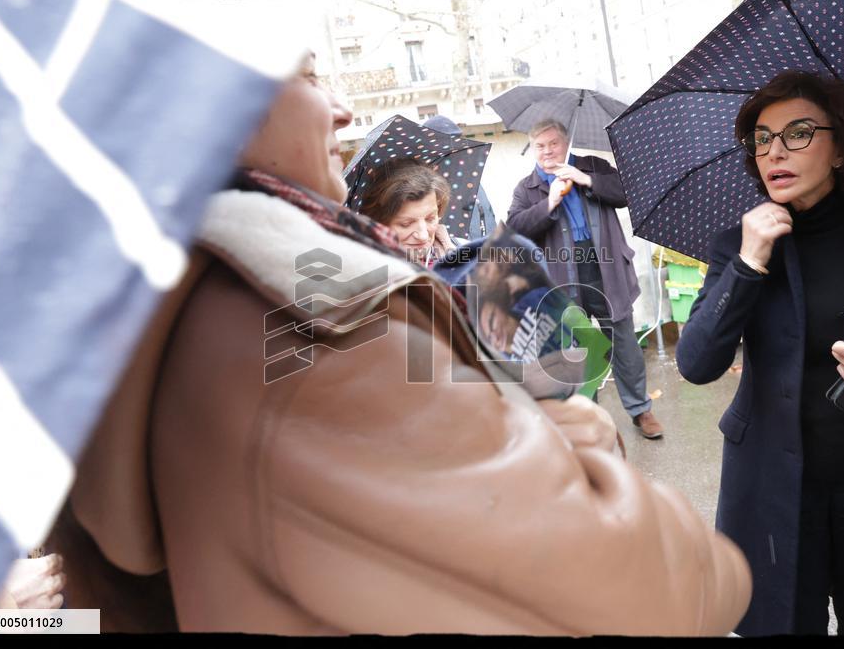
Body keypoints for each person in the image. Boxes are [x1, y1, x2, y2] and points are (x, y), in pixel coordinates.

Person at [47, 50, 752, 635]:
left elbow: (568, 362)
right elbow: (665, 587)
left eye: (431, 217)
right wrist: (561, 419)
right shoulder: (326, 316)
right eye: (308, 78)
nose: (342, 109)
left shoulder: (179, 303)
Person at [675, 70, 844, 636]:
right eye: (761, 139)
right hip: (774, 490)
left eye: (799, 133)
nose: (774, 152)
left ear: (842, 147)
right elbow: (696, 362)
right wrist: (749, 260)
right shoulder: (738, 242)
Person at [506, 119, 664, 439]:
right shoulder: (527, 187)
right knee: (574, 348)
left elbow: (625, 193)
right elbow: (515, 230)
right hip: (562, 274)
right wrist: (549, 201)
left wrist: (585, 179)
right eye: (540, 146)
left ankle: (639, 409)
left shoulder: (593, 166)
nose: (548, 151)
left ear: (566, 144)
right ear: (533, 149)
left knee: (623, 342)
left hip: (606, 268)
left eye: (553, 143)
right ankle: (587, 413)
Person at [357, 157, 458, 267]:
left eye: (430, 219)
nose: (423, 236)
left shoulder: (464, 255)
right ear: (377, 223)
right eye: (406, 224)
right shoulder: (361, 274)